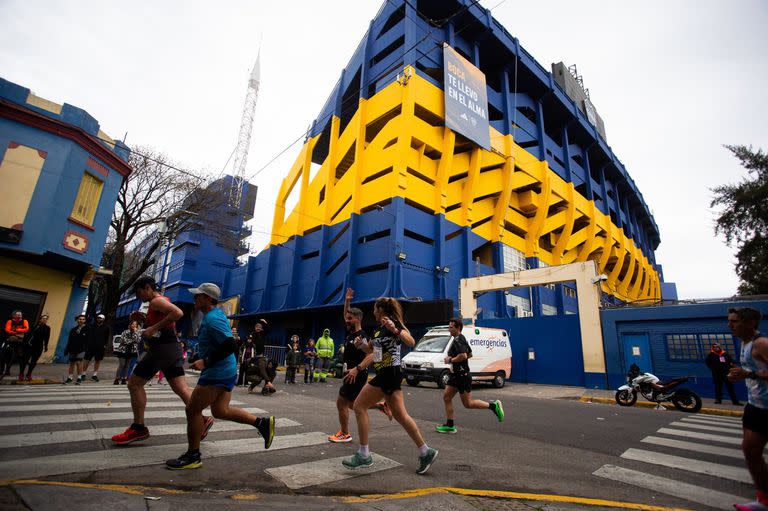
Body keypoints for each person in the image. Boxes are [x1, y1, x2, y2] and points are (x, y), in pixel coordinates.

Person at [165, 283, 275, 470]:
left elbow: (230, 345)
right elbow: (220, 344)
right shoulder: (212, 316)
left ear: (208, 298)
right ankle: (262, 423)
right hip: (226, 370)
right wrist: (199, 356)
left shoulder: (213, 318)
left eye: (198, 295)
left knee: (192, 410)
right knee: (220, 411)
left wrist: (206, 362)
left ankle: (193, 455)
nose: (195, 298)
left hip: (217, 372)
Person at [111, 276, 213, 445]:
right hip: (171, 349)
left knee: (134, 384)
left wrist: (152, 327)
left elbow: (178, 313)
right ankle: (201, 419)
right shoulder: (158, 301)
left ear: (148, 288)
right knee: (181, 388)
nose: (140, 297)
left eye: (139, 293)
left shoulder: (156, 301)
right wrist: (146, 321)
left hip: (162, 349)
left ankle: (138, 428)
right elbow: (165, 320)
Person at [342, 296, 438, 475]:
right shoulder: (379, 330)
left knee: (358, 406)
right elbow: (372, 350)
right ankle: (426, 451)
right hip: (386, 374)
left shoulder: (393, 323)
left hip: (389, 373)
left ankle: (364, 454)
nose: (373, 312)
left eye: (374, 309)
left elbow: (410, 342)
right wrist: (361, 345)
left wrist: (395, 330)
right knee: (401, 416)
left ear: (380, 310)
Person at [329, 288, 392, 443]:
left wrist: (357, 370)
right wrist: (347, 300)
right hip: (350, 372)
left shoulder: (362, 337)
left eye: (350, 318)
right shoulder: (351, 332)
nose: (347, 320)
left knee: (341, 403)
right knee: (352, 404)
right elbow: (346, 314)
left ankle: (345, 433)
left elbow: (371, 356)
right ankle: (380, 406)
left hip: (356, 374)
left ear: (357, 319)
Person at [727, 307, 768, 511]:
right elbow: (751, 371)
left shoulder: (761, 344)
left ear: (751, 323)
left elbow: (753, 373)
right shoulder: (744, 343)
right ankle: (764, 500)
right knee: (750, 451)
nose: (730, 325)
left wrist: (748, 375)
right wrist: (739, 375)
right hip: (755, 406)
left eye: (735, 321)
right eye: (730, 321)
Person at [435, 318, 504, 434]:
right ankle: (450, 425)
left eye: (451, 327)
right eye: (449, 326)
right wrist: (457, 363)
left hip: (462, 376)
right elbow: (470, 354)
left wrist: (451, 359)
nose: (449, 329)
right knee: (447, 397)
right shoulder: (460, 339)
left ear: (458, 328)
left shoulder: (458, 340)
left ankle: (493, 406)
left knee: (468, 404)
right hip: (456, 375)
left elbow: (464, 356)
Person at [19, 313, 50, 382]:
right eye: (43, 318)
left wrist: (46, 346)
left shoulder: (47, 328)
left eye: (46, 319)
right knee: (25, 360)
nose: (44, 320)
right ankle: (21, 374)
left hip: (39, 347)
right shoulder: (34, 326)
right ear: (40, 319)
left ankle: (29, 374)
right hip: (30, 345)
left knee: (33, 361)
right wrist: (23, 345)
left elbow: (47, 338)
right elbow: (27, 335)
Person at [83, 313, 111, 382]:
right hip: (91, 346)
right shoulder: (92, 326)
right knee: (87, 360)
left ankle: (94, 375)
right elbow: (88, 335)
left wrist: (105, 345)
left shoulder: (106, 327)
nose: (99, 319)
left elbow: (107, 337)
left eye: (100, 318)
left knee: (98, 360)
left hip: (100, 347)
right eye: (98, 318)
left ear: (103, 319)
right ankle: (83, 374)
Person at [251, 319, 275, 394]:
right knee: (260, 372)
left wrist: (265, 322)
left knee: (271, 372)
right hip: (255, 355)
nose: (258, 328)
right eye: (257, 327)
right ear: (255, 327)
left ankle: (266, 387)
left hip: (261, 354)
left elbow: (268, 330)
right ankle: (251, 386)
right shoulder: (253, 334)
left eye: (260, 327)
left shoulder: (262, 333)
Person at [64, 314, 89, 385]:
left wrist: (86, 349)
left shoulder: (87, 329)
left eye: (83, 319)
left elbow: (88, 340)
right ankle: (70, 377)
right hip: (72, 349)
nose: (81, 320)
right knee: (72, 363)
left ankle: (79, 377)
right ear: (77, 320)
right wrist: (67, 349)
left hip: (82, 349)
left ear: (85, 321)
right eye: (80, 319)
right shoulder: (73, 330)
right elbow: (70, 340)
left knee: (79, 363)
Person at [4, 310, 29, 378]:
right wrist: (18, 332)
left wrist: (15, 330)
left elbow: (26, 329)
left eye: (20, 314)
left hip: (20, 342)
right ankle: (5, 370)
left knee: (16, 356)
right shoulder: (10, 321)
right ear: (14, 316)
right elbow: (7, 330)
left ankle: (20, 373)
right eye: (17, 314)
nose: (19, 316)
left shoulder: (24, 321)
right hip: (11, 341)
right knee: (6, 355)